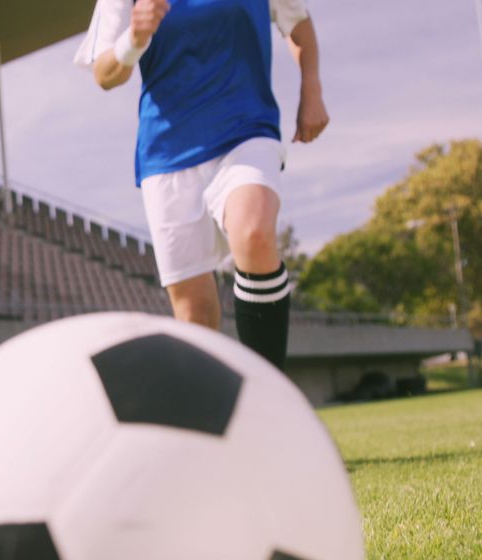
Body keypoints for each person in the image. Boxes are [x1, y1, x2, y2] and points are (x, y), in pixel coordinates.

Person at [74, 0, 329, 370]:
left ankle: (267, 397)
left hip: (245, 132)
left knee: (253, 233)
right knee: (195, 315)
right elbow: (104, 73)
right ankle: (216, 423)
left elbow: (299, 24)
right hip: (167, 154)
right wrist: (134, 37)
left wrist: (312, 87)